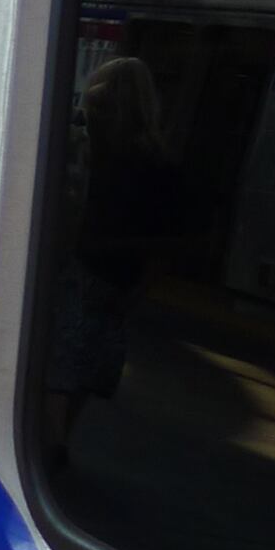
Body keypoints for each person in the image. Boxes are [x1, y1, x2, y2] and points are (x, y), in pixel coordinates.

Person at [46, 57, 177, 447]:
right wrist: (136, 294)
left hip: (78, 271)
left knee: (57, 373)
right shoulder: (161, 166)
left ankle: (50, 450)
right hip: (119, 282)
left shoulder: (84, 151)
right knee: (86, 372)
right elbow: (168, 243)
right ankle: (60, 441)